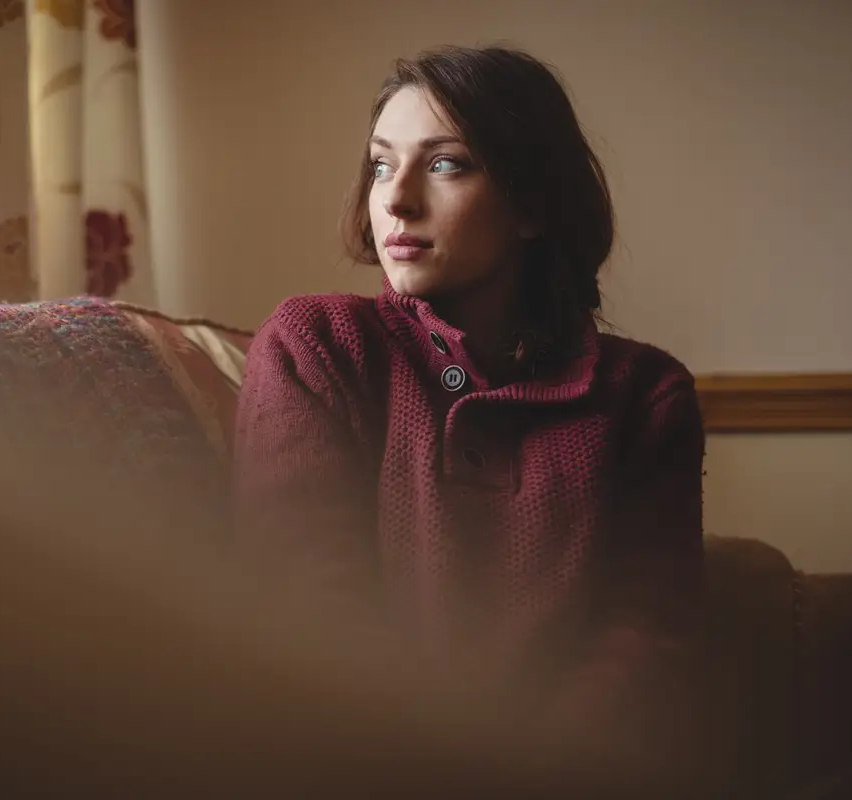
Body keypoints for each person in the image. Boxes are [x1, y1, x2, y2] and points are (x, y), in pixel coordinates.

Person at [233, 45, 707, 761]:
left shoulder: (646, 397)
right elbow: (307, 609)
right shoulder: (316, 344)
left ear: (533, 202)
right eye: (382, 164)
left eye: (447, 163)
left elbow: (642, 642)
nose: (396, 198)